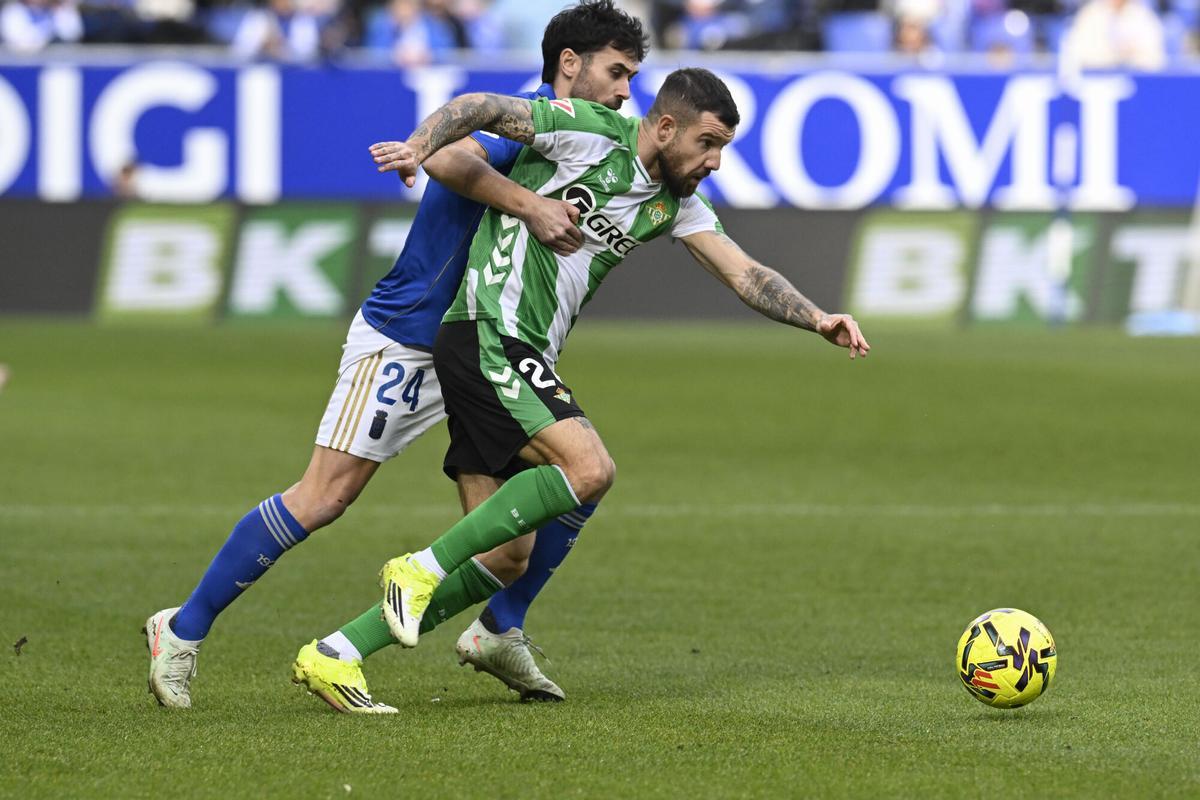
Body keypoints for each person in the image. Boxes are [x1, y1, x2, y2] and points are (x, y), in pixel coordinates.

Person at [298, 67, 870, 710]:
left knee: (509, 555)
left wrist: (818, 317)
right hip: (491, 332)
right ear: (665, 126)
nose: (714, 162)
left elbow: (745, 273)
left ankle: (338, 653)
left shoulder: (675, 204)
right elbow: (481, 105)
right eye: (707, 143)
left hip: (517, 351)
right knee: (590, 468)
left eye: (723, 149)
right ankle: (418, 571)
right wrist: (420, 143)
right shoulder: (589, 131)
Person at [143, 0, 649, 713]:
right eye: (617, 71)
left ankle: (499, 629)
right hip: (411, 335)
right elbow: (449, 155)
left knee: (541, 512)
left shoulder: (595, 138)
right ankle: (183, 629)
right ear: (571, 64)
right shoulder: (529, 118)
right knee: (325, 496)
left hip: (483, 348)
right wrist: (528, 206)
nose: (626, 89)